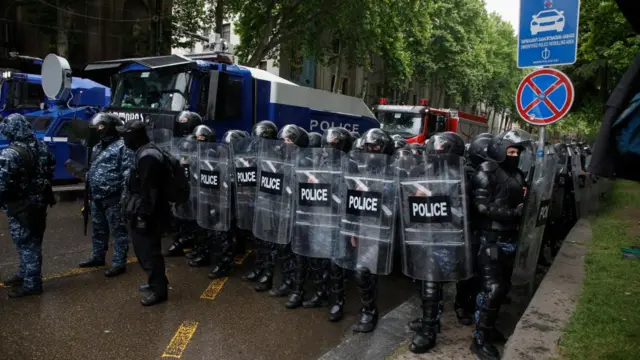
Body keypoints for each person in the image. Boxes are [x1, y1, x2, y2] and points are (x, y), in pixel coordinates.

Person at [405, 131, 470, 353]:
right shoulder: (422, 171)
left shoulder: (463, 176)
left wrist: (435, 200)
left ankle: (429, 330)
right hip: (423, 234)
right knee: (422, 281)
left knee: (432, 283)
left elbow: (465, 213)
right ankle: (427, 319)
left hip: (446, 238)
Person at [469, 130, 529, 360]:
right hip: (490, 239)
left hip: (510, 238)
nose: (514, 155)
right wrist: (513, 213)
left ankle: (487, 326)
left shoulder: (518, 174)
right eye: (510, 151)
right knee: (493, 289)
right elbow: (482, 207)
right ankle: (479, 339)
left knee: (502, 287)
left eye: (517, 152)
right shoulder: (486, 172)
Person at [0, 113, 56, 298]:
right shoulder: (42, 146)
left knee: (26, 243)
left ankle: (32, 283)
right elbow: (51, 168)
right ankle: (24, 274)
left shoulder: (11, 153)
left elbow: (2, 182)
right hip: (39, 201)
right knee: (32, 239)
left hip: (21, 204)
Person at [118, 120, 170, 306]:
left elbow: (151, 191)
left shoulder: (148, 157)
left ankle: (159, 291)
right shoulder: (142, 151)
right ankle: (155, 282)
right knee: (144, 251)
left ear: (135, 136)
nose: (124, 138)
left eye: (126, 134)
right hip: (143, 209)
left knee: (149, 252)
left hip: (148, 213)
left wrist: (143, 215)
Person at [78, 113, 132, 277]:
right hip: (97, 197)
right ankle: (97, 256)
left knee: (118, 232)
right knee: (98, 229)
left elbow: (127, 174)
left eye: (101, 128)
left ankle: (118, 263)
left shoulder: (123, 147)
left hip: (113, 198)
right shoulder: (97, 147)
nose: (98, 131)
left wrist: (124, 198)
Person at [165, 111, 204, 257]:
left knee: (188, 214)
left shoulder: (191, 141)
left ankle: (186, 240)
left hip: (191, 183)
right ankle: (186, 239)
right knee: (184, 213)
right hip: (187, 182)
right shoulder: (183, 141)